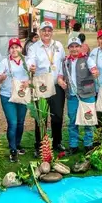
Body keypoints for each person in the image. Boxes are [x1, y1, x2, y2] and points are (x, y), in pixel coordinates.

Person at [27, 22, 67, 154]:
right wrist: (31, 66)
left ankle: (57, 142)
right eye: (44, 30)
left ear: (52, 32)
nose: (46, 33)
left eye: (49, 30)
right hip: (42, 86)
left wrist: (61, 76)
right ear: (40, 32)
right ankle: (40, 145)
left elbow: (62, 63)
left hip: (56, 85)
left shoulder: (58, 45)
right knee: (41, 117)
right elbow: (30, 60)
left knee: (58, 116)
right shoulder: (34, 47)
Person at [0, 38, 30, 162]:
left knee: (21, 122)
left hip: (22, 95)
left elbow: (33, 76)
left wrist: (29, 81)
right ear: (9, 49)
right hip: (7, 95)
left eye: (17, 47)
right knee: (13, 122)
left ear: (21, 49)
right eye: (12, 47)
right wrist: (1, 77)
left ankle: (17, 144)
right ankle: (12, 149)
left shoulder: (27, 60)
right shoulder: (4, 62)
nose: (14, 49)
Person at [64, 36, 97, 153]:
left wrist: (95, 72)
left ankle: (88, 144)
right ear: (68, 48)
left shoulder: (87, 59)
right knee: (73, 120)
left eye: (76, 46)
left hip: (87, 94)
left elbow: (94, 69)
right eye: (71, 46)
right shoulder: (65, 61)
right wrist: (60, 80)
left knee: (88, 119)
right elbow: (61, 75)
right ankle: (73, 145)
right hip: (72, 96)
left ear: (80, 47)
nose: (74, 49)